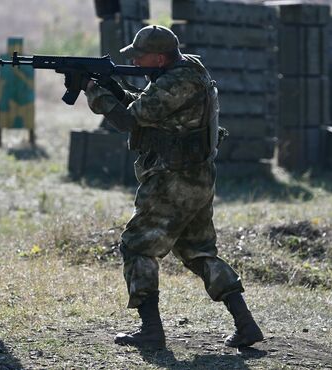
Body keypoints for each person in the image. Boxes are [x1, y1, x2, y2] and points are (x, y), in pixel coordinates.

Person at [85, 25, 264, 349]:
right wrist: (110, 85)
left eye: (141, 57)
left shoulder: (177, 82)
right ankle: (246, 325)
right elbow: (144, 109)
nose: (137, 62)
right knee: (199, 252)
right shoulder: (187, 70)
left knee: (137, 246)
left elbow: (127, 121)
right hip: (194, 178)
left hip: (174, 179)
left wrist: (93, 92)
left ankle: (151, 331)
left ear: (159, 56)